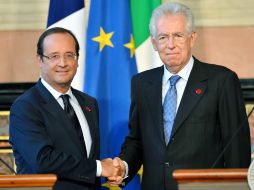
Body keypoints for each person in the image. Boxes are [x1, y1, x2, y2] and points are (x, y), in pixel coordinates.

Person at [109, 2, 251, 190]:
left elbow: (236, 149)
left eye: (178, 36)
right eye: (163, 37)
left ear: (192, 38)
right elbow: (137, 140)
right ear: (153, 42)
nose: (170, 45)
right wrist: (123, 166)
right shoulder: (142, 83)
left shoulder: (221, 81)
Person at [9, 27, 120, 190]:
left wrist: (110, 171)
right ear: (40, 60)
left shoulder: (89, 103)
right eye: (54, 56)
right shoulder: (26, 106)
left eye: (69, 55)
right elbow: (43, 160)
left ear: (77, 60)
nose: (63, 63)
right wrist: (99, 168)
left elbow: (85, 158)